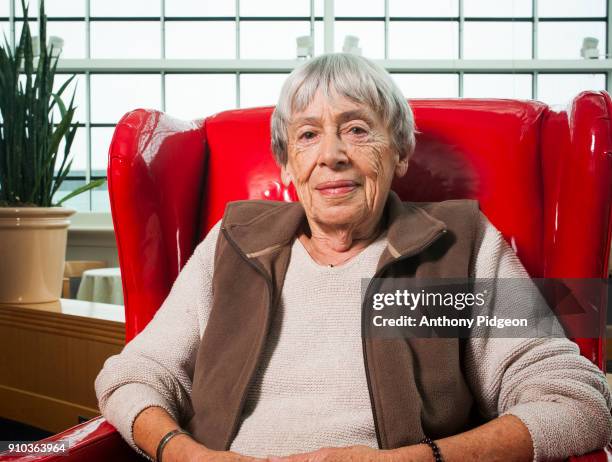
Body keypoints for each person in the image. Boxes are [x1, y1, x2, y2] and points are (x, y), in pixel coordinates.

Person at [95, 53, 611, 462]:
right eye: (308, 134)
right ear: (288, 163)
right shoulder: (234, 242)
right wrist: (188, 456)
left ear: (400, 152)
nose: (332, 154)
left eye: (358, 129)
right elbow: (132, 376)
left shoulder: (457, 243)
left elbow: (575, 399)